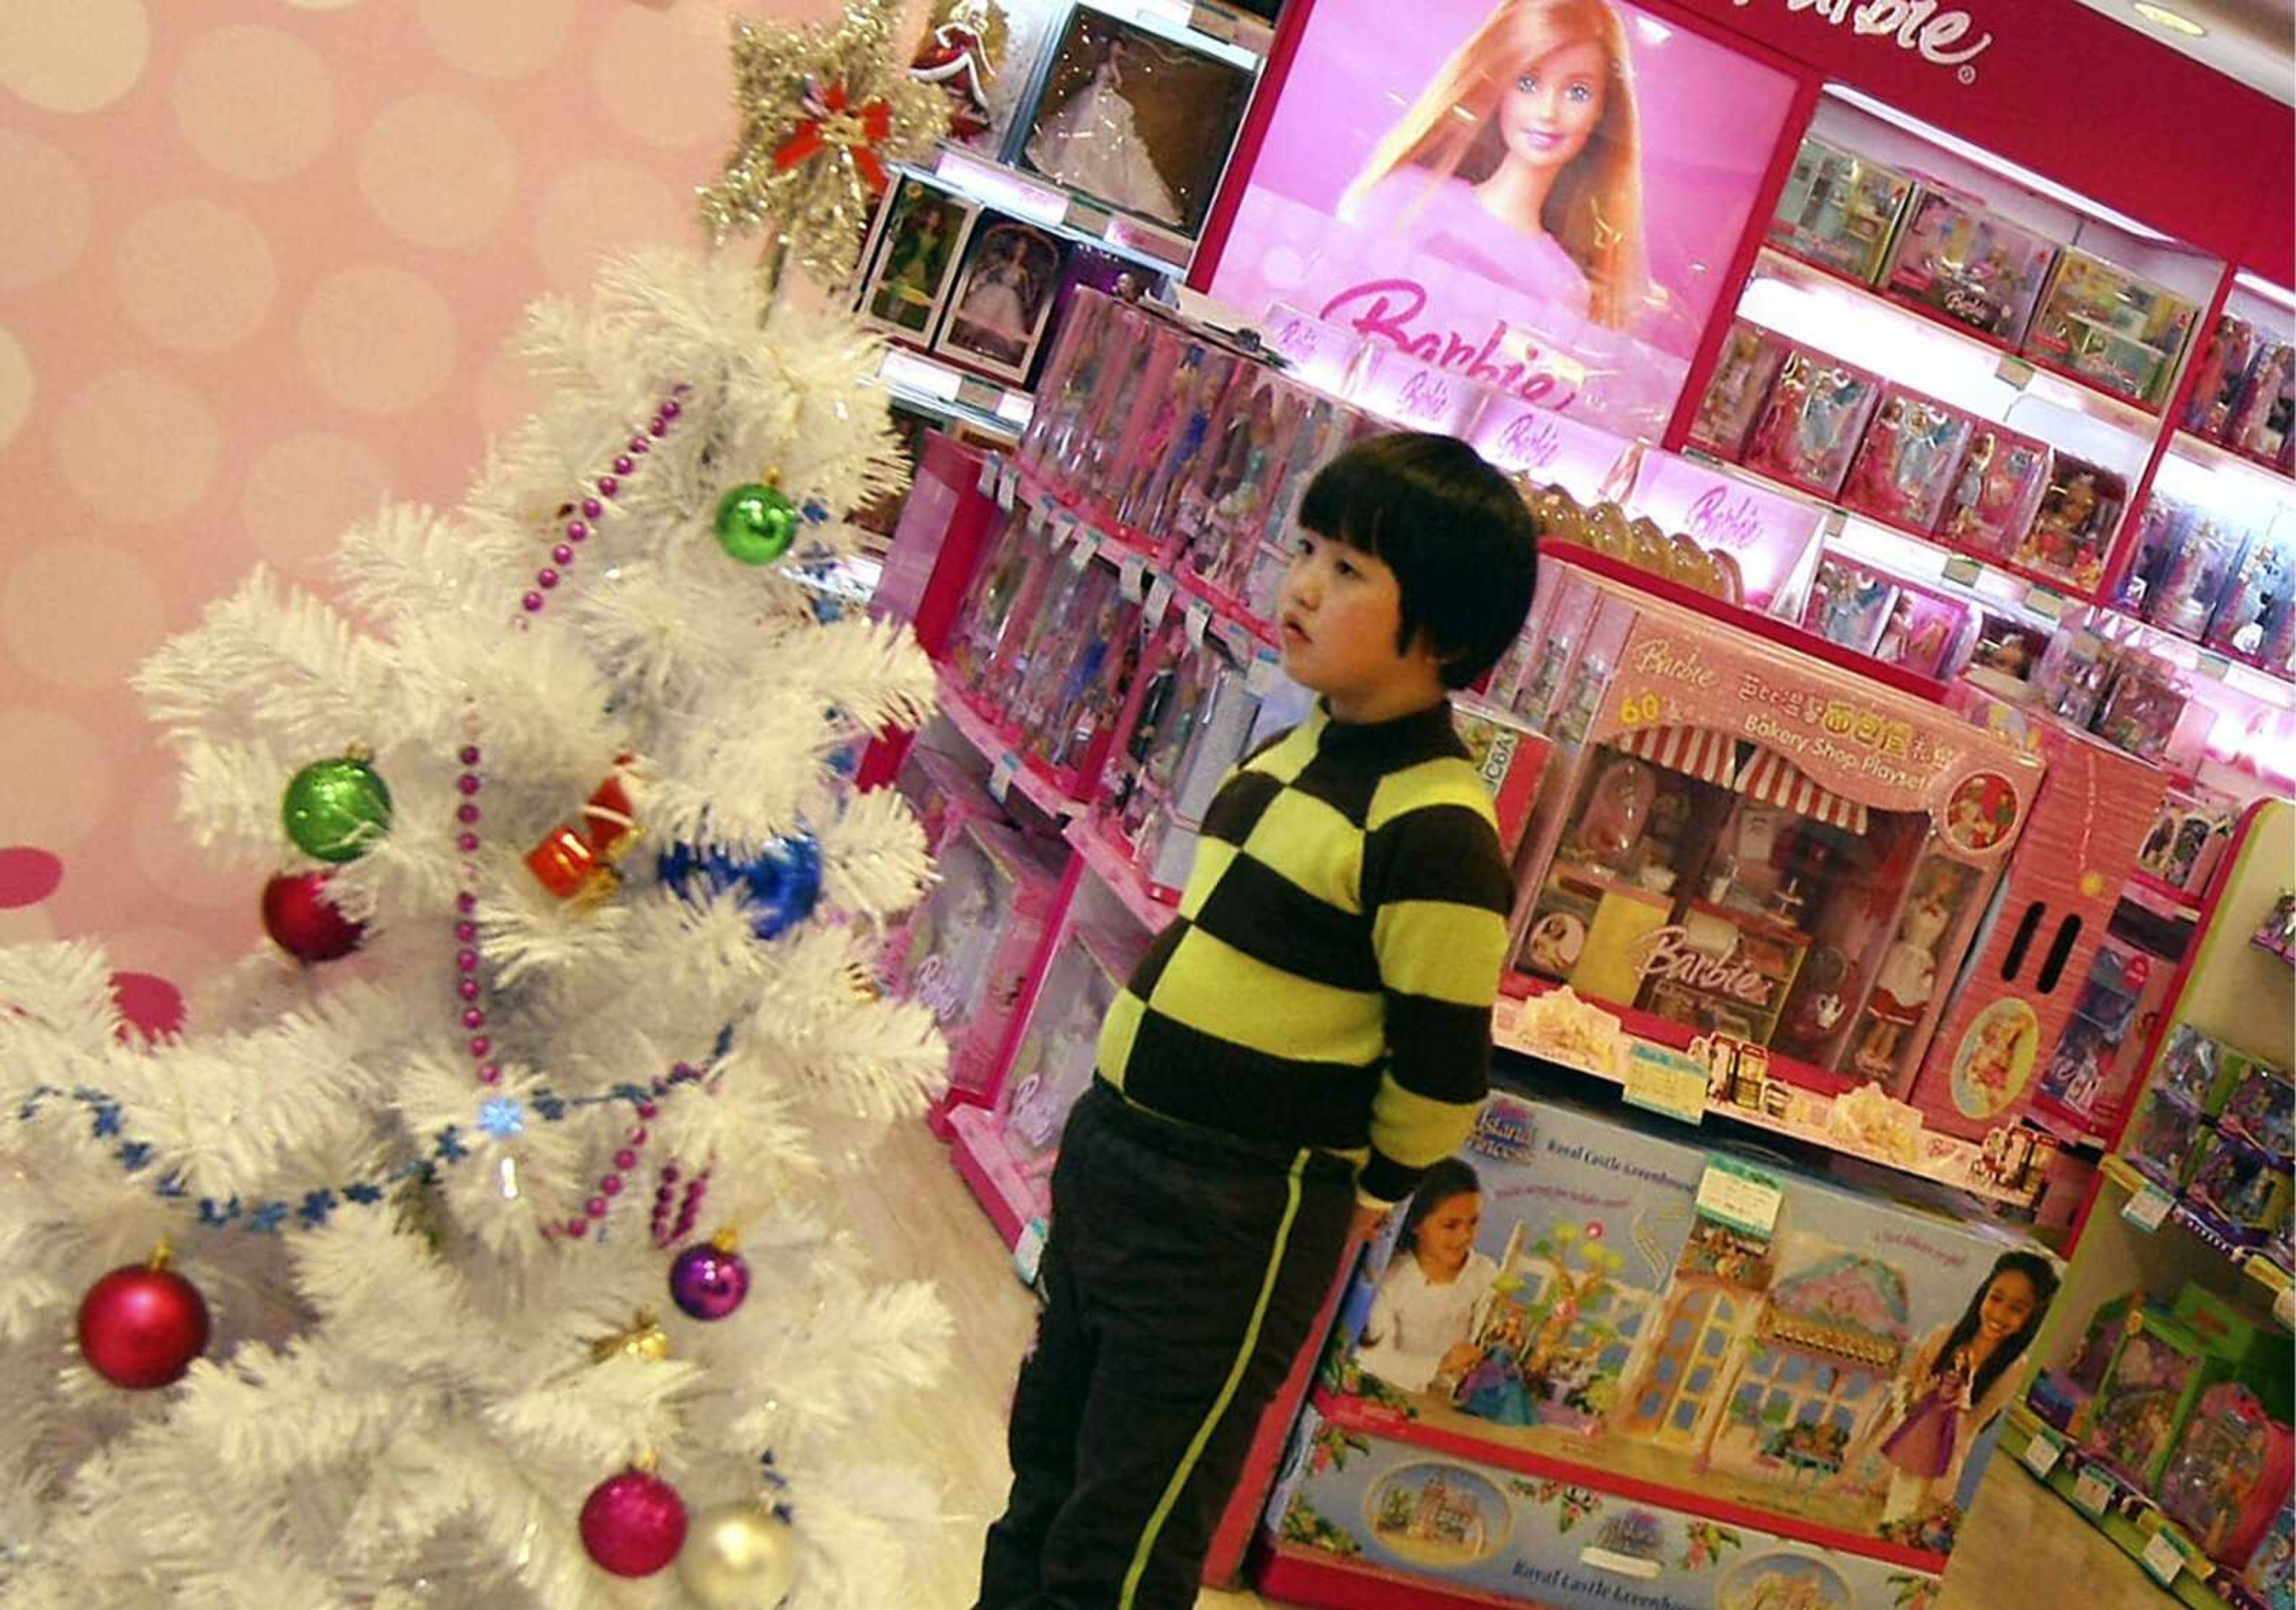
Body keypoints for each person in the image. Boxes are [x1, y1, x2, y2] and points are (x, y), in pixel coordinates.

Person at [973, 433, 1538, 1610]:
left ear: (1442, 629)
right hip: (1119, 1155)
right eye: (1308, 548)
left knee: (1125, 1527)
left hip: (1237, 1204)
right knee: (1045, 1471)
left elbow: (1442, 1073)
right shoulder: (1294, 752)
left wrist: (1359, 1185)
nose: (1303, 585)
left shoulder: (1438, 824)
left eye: (1349, 571)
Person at [1339, 0, 1646, 328]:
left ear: (1603, 110)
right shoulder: (1404, 197)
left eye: (1578, 92)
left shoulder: (1565, 287)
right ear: (1500, 85)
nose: (1548, 112)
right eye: (1528, 83)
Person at [1869, 1249, 2059, 1526]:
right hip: (1900, 1448)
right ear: (1984, 1293)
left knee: (1903, 1526)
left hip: (1940, 1465)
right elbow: (1902, 1395)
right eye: (1996, 1298)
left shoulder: (2014, 1369)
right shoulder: (1943, 1338)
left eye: (2017, 1309)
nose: (1999, 1313)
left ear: (2032, 1317)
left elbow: (1969, 1427)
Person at [1355, 1158, 1500, 1395]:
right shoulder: (1392, 1278)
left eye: (1473, 1222)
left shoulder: (1485, 1274)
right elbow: (1372, 1358)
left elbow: (1486, 1342)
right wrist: (1440, 1366)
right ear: (1416, 1225)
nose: (1465, 1236)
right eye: (1450, 1226)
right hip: (1395, 1395)